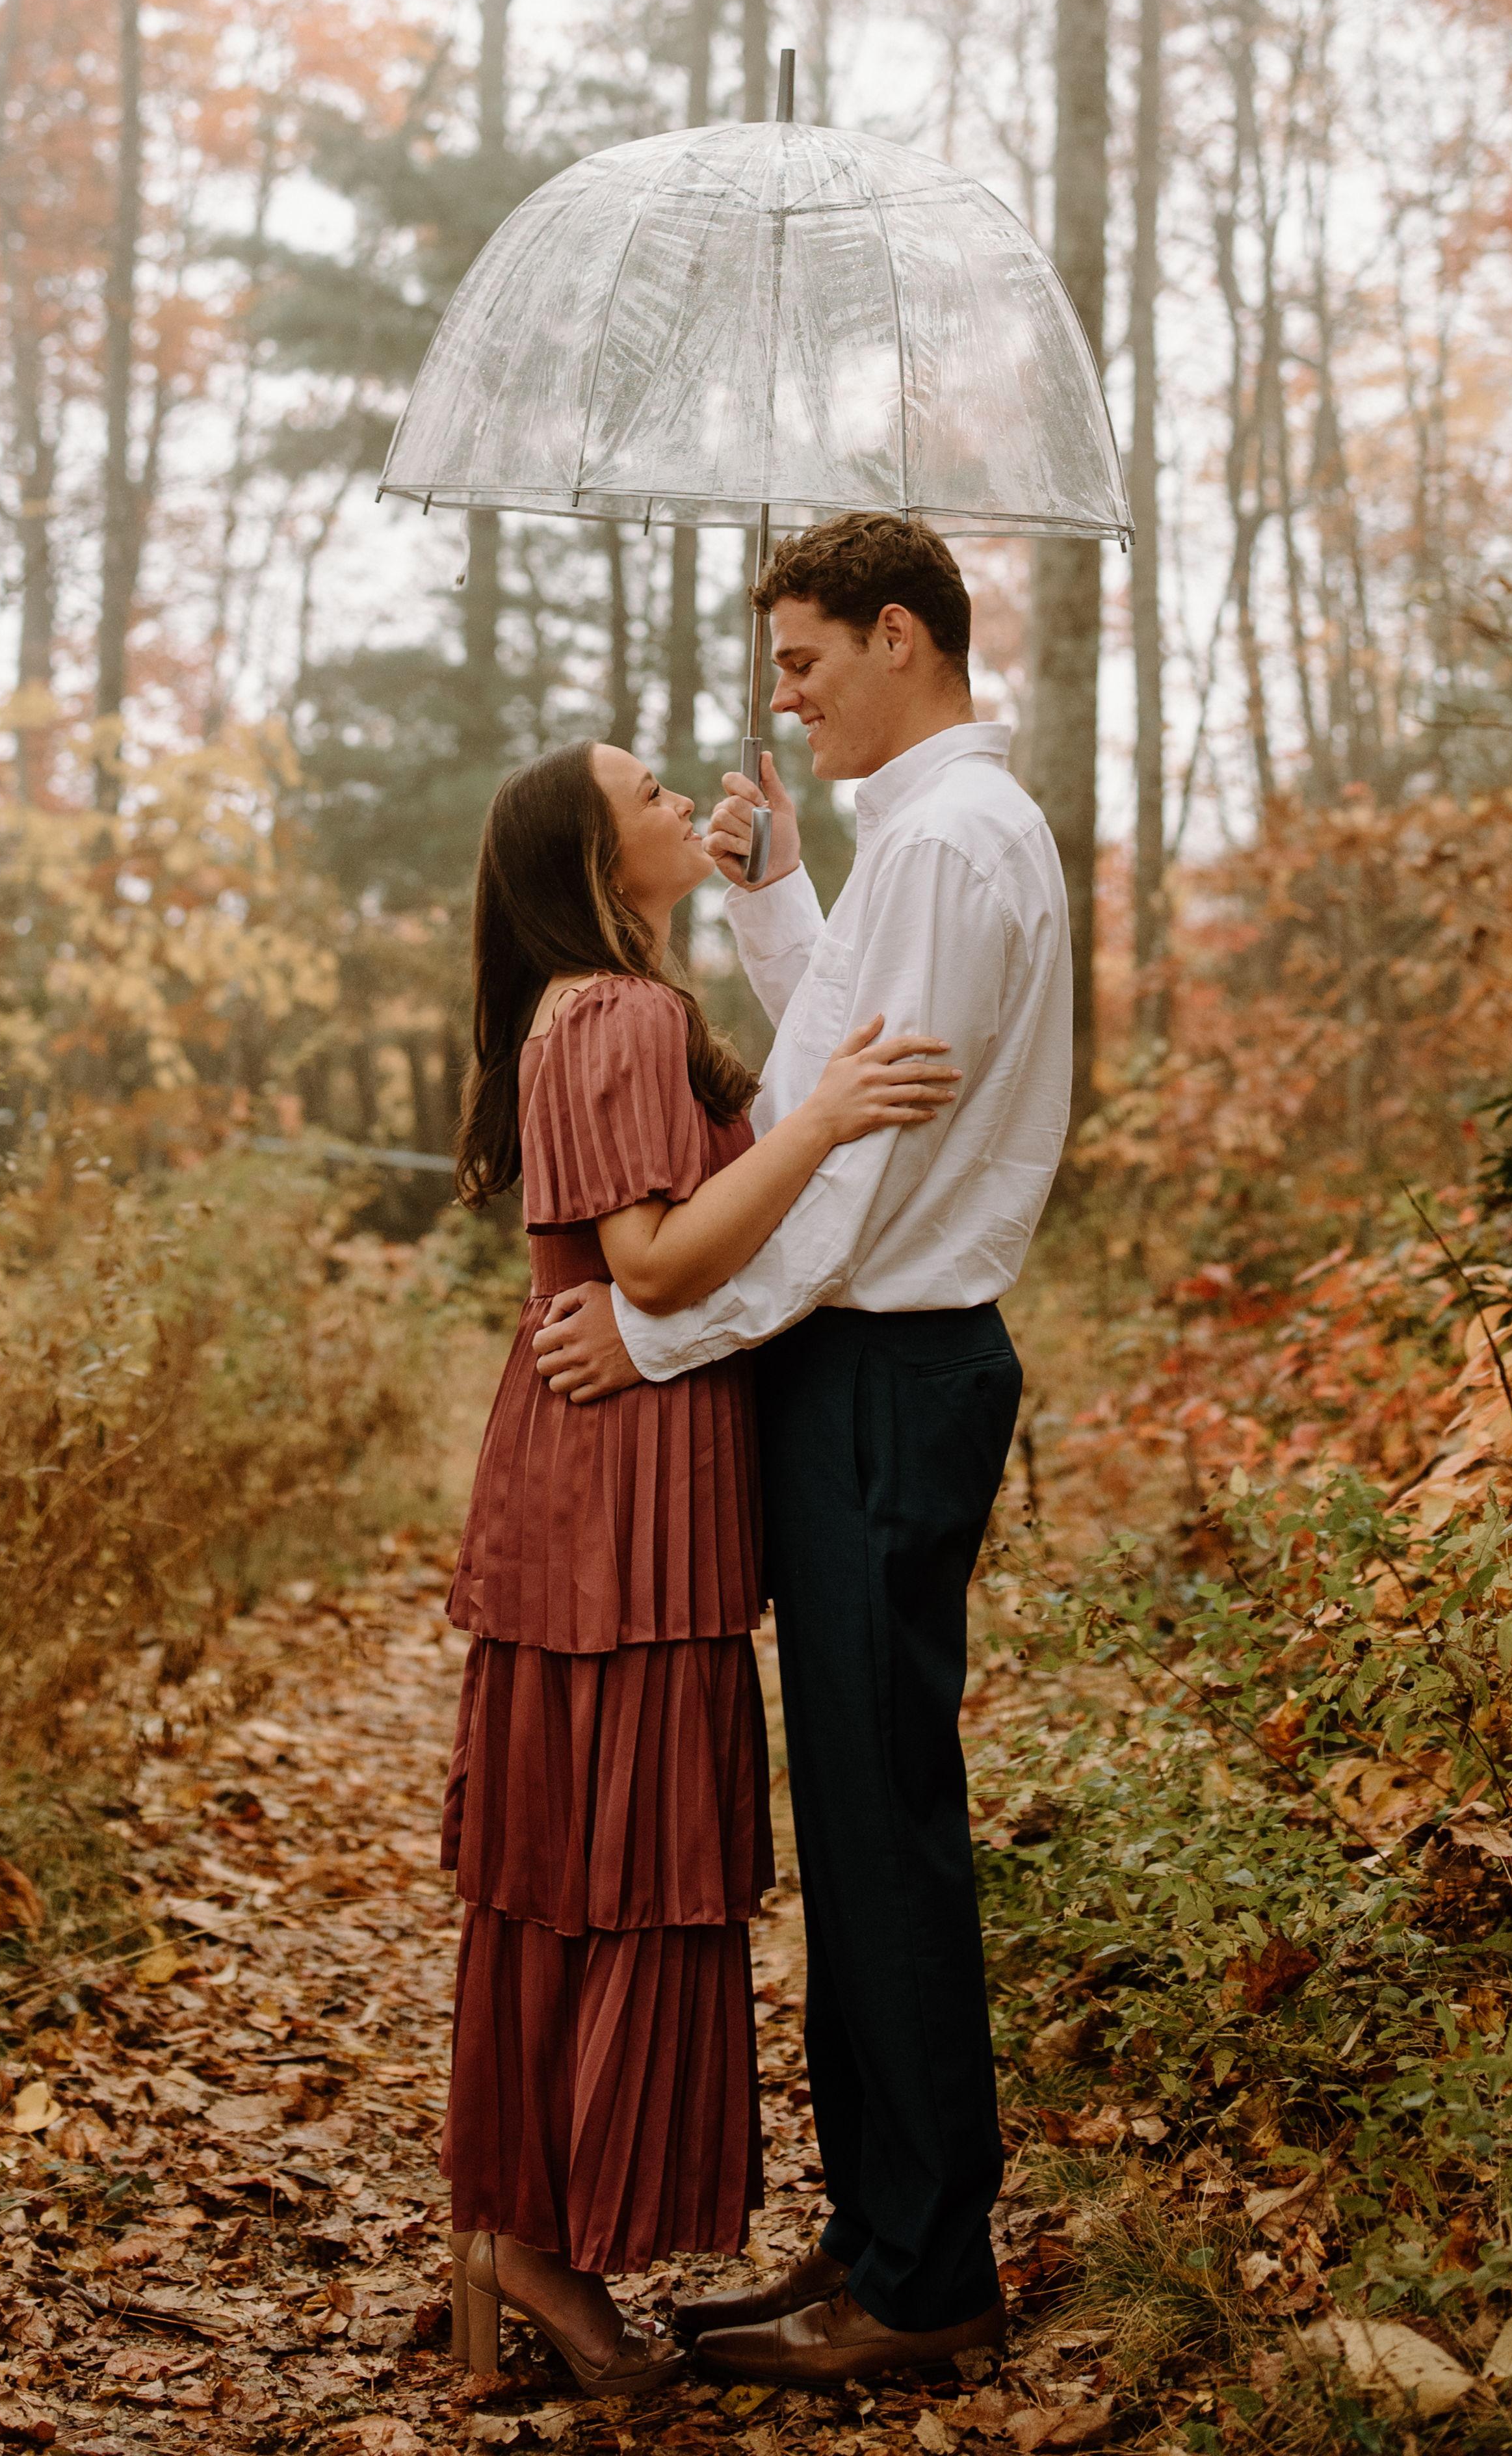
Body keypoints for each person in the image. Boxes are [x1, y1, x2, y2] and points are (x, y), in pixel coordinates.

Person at [530, 514, 1072, 2396]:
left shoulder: (940, 837)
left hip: (888, 1369)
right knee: (864, 1829)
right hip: (892, 1367)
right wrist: (769, 896)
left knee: (881, 1838)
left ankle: (922, 2286)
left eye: (804, 657)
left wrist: (657, 1325)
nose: (780, 695)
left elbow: (849, 1177)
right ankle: (879, 2237)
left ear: (901, 637)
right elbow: (844, 1059)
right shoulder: (934, 838)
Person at [439, 736, 961, 2399]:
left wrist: (775, 891)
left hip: (618, 1467)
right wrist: (815, 1124)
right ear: (595, 861)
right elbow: (655, 1259)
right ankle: (537, 2244)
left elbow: (671, 1222)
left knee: (583, 1864)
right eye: (651, 797)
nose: (685, 802)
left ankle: (530, 2233)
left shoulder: (610, 1006)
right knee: (609, 1860)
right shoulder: (617, 1015)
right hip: (613, 1487)